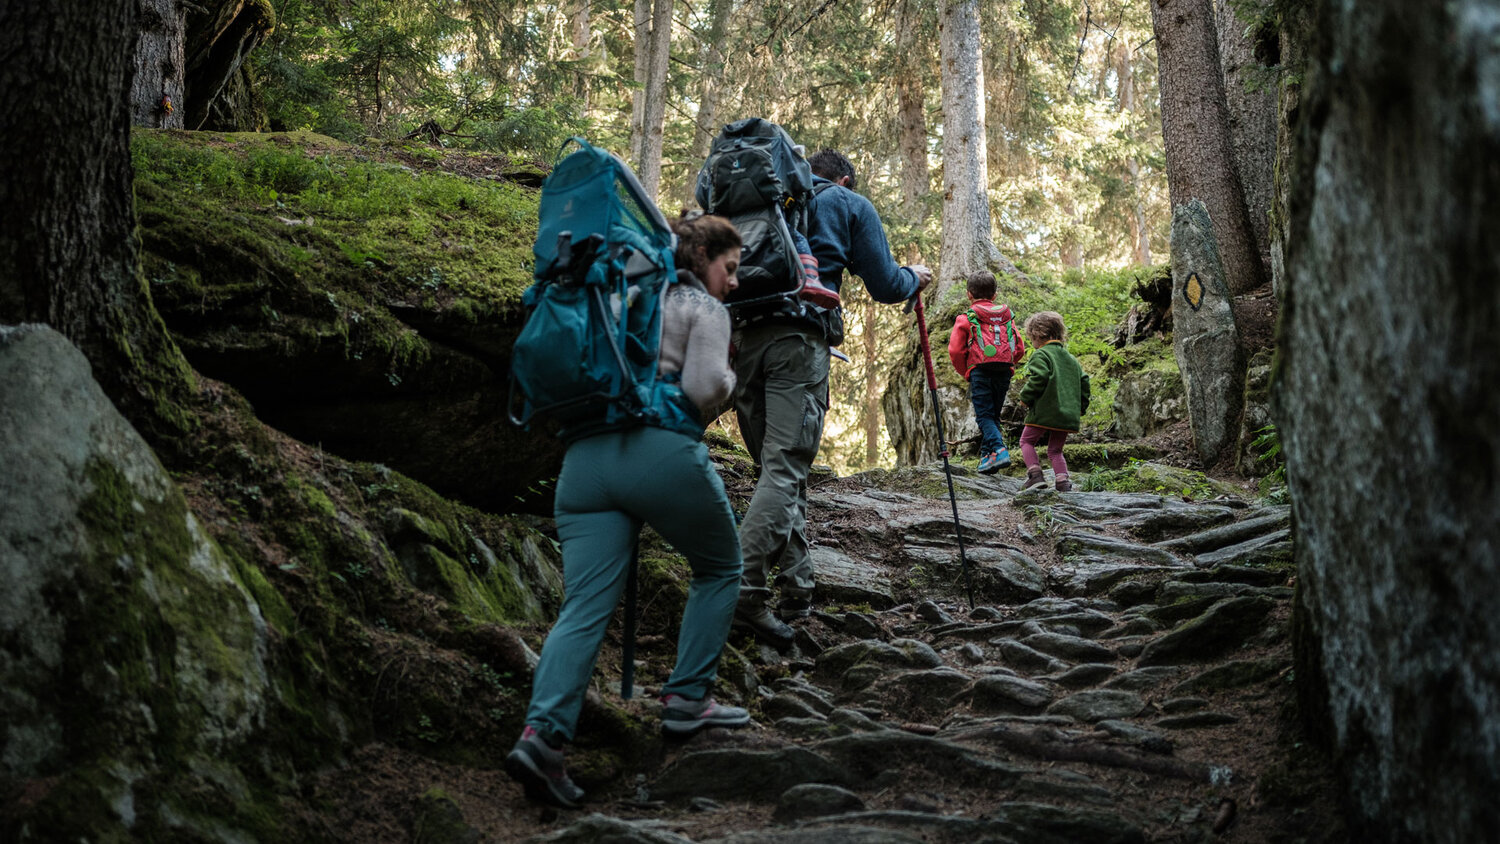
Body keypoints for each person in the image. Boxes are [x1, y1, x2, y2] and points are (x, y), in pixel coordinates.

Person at [505, 214, 752, 809]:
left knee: (584, 606)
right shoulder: (704, 309)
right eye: (731, 268)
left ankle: (542, 737)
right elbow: (701, 388)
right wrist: (731, 376)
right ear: (704, 261)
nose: (734, 282)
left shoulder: (615, 295)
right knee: (721, 568)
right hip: (661, 451)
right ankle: (688, 699)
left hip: (584, 464)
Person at [731, 147, 932, 645]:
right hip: (798, 342)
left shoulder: (761, 201)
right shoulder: (848, 203)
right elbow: (886, 284)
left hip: (738, 341)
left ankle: (797, 587)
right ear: (844, 177)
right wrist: (916, 278)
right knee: (784, 469)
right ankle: (740, 592)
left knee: (774, 469)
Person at [947, 270, 1025, 475]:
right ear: (995, 295)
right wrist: (1009, 363)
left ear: (969, 295)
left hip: (980, 371)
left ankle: (999, 450)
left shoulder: (966, 318)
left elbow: (955, 350)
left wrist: (966, 371)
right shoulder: (1007, 316)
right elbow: (1019, 348)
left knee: (983, 417)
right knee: (993, 416)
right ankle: (988, 460)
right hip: (1004, 370)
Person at [1016, 311, 1090, 492]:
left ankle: (1035, 475)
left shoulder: (1041, 355)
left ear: (1038, 335)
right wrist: (1080, 407)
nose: (1032, 343)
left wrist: (1025, 398)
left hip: (1045, 410)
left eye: (1031, 339)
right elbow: (1085, 382)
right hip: (1067, 414)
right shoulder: (1071, 359)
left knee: (1026, 441)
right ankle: (1063, 481)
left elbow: (1039, 378)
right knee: (1055, 450)